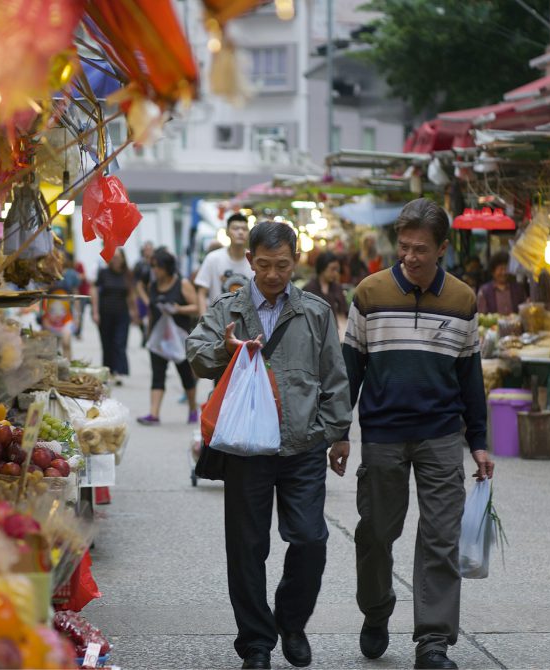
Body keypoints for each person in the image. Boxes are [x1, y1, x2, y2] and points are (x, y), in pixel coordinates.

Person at [186, 222, 352, 670]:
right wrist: (225, 351)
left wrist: (338, 433)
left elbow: (335, 376)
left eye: (282, 265)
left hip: (302, 446)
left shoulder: (315, 312)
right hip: (246, 450)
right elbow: (196, 353)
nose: (273, 274)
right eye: (263, 265)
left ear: (295, 262)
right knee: (246, 548)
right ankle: (257, 643)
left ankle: (292, 622)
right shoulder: (230, 308)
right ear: (249, 261)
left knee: (311, 539)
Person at [340, 198, 494, 670]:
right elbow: (350, 369)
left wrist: (479, 442)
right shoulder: (369, 293)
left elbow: (471, 378)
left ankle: (433, 640)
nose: (410, 256)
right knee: (375, 533)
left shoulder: (463, 301)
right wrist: (338, 432)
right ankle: (377, 608)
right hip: (384, 432)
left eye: (420, 249)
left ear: (442, 249)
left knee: (441, 537)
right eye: (404, 247)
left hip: (442, 434)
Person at [137, 248, 199, 426]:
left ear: (167, 267)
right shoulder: (153, 285)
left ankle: (193, 408)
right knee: (157, 375)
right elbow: (151, 309)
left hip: (179, 338)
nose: (154, 270)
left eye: (158, 267)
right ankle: (154, 413)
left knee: (186, 375)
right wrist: (148, 333)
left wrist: (178, 309)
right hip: (159, 338)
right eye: (153, 266)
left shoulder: (182, 284)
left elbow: (196, 306)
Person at [90, 249, 139, 383]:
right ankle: (108, 371)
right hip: (105, 313)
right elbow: (94, 290)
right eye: (113, 257)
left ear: (123, 259)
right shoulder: (103, 273)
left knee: (119, 342)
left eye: (118, 257)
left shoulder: (127, 275)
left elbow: (131, 294)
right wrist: (95, 312)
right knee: (107, 343)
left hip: (122, 314)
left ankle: (119, 370)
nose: (116, 260)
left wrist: (134, 311)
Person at [195, 213, 254, 314]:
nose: (240, 232)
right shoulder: (213, 258)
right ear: (227, 232)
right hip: (217, 321)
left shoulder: (254, 260)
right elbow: (201, 292)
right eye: (235, 228)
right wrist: (203, 321)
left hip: (247, 321)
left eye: (244, 229)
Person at [303, 251, 348, 317]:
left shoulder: (337, 288)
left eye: (337, 270)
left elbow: (343, 312)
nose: (335, 273)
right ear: (322, 268)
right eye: (332, 269)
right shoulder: (309, 289)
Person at [132, 242, 155, 346]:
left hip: (153, 294)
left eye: (150, 249)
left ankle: (149, 335)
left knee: (152, 316)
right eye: (146, 249)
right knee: (141, 317)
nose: (148, 251)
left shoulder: (156, 263)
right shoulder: (139, 265)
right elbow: (135, 282)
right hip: (141, 295)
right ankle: (144, 334)